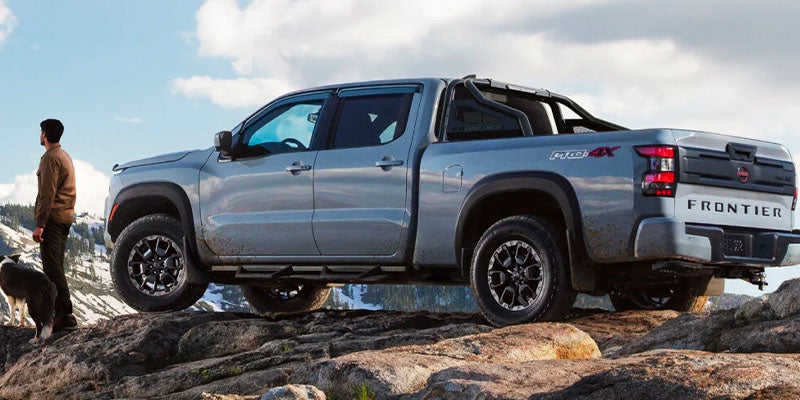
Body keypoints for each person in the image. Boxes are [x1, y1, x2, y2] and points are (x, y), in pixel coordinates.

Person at [33, 118, 78, 331]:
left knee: (52, 268)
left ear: (44, 134)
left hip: (53, 220)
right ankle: (62, 314)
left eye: (41, 132)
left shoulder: (50, 158)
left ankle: (64, 315)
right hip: (64, 218)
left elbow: (47, 193)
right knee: (56, 267)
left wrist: (40, 224)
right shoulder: (64, 155)